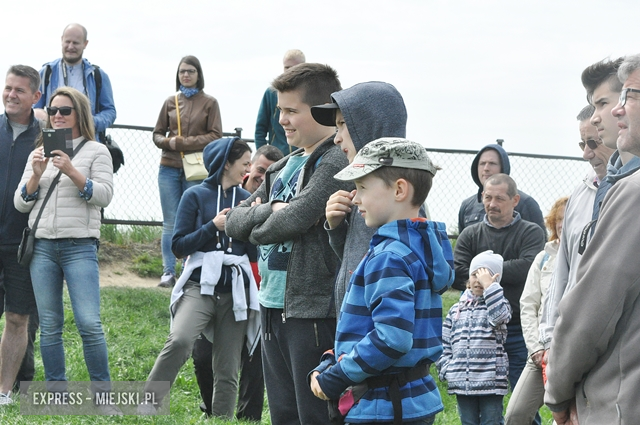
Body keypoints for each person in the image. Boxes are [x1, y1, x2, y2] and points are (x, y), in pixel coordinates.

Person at [225, 63, 348, 425]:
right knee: (282, 413)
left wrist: (270, 219)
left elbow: (294, 219)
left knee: (314, 415)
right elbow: (234, 222)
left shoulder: (336, 160)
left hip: (311, 311)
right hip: (271, 304)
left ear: (322, 110)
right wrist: (275, 215)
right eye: (280, 110)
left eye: (291, 110)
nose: (281, 120)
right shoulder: (282, 166)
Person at [310, 138, 454, 425]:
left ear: (399, 189)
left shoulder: (388, 257)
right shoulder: (423, 248)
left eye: (363, 187)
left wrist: (337, 377)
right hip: (413, 400)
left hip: (384, 406)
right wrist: (332, 359)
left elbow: (392, 338)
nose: (355, 197)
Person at [545, 53, 640, 425]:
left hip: (618, 403)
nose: (613, 112)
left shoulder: (633, 193)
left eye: (626, 96)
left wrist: (559, 391)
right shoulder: (599, 190)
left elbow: (591, 312)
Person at [13, 87, 116, 412]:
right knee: (50, 324)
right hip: (42, 247)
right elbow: (20, 203)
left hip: (79, 247)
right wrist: (36, 177)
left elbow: (103, 195)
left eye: (65, 110)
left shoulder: (97, 151)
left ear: (79, 114)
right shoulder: (39, 152)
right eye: (53, 109)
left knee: (88, 322)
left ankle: (104, 398)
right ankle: (57, 397)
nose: (57, 115)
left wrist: (72, 171)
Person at [139, 137, 259, 418]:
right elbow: (179, 246)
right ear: (226, 163)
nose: (248, 168)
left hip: (235, 292)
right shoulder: (194, 195)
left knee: (228, 367)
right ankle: (146, 406)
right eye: (244, 163)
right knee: (180, 339)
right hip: (199, 287)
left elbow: (251, 249)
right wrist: (212, 226)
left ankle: (222, 419)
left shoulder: (246, 200)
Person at [191, 143, 282, 420]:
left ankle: (248, 417)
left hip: (258, 295)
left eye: (270, 175)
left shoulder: (268, 203)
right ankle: (212, 407)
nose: (262, 179)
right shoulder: (229, 199)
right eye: (259, 170)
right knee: (203, 356)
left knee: (255, 362)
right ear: (248, 167)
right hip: (221, 292)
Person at [310, 81, 407, 315]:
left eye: (343, 124)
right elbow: (362, 262)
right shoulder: (368, 189)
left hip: (374, 342)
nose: (336, 138)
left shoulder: (392, 195)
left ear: (370, 126)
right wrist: (336, 228)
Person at [454, 174, 545, 405]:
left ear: (515, 200)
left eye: (499, 199)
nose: (492, 204)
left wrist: (482, 276)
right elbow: (457, 273)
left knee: (522, 404)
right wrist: (499, 275)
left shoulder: (531, 232)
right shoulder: (470, 233)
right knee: (478, 405)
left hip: (516, 330)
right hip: (477, 335)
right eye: (487, 197)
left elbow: (528, 268)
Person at [153, 55, 223, 288]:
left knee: (193, 220)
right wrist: (169, 143)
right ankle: (167, 272)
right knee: (170, 222)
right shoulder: (170, 102)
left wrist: (184, 142)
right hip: (169, 167)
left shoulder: (210, 103)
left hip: (195, 169)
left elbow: (215, 135)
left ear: (198, 74)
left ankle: (188, 267)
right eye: (182, 71)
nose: (186, 75)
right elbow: (157, 134)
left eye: (191, 71)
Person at [504, 196, 568, 425]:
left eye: (567, 218)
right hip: (541, 353)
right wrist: (535, 347)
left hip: (573, 355)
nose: (562, 224)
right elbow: (528, 305)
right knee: (516, 414)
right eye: (558, 219)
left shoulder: (587, 257)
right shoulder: (543, 259)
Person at [0, 65, 41, 405]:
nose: (11, 94)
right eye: (7, 87)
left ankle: (4, 393)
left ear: (35, 96)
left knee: (18, 318)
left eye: (19, 90)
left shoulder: (47, 136)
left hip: (22, 242)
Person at [438, 250, 511, 425]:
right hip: (462, 381)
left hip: (491, 382)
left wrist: (490, 288)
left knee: (491, 421)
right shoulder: (457, 309)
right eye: (475, 274)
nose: (479, 280)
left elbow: (499, 317)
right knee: (468, 422)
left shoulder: (499, 305)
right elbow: (444, 342)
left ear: (496, 280)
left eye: (486, 275)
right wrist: (447, 368)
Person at [33, 23, 116, 143]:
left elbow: (110, 111)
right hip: (55, 140)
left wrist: (90, 122)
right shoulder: (46, 73)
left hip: (87, 140)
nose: (71, 46)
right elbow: (34, 108)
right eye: (67, 41)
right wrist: (48, 119)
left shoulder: (97, 75)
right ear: (61, 40)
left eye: (76, 43)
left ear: (85, 44)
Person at [457, 144, 545, 237]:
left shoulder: (526, 203)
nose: (486, 168)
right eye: (482, 163)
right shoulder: (467, 205)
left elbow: (540, 243)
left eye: (492, 163)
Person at [254, 49, 305, 156]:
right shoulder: (271, 93)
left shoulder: (309, 93)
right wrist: (264, 155)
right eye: (287, 67)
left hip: (303, 155)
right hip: (277, 157)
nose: (290, 71)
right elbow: (260, 129)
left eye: (294, 67)